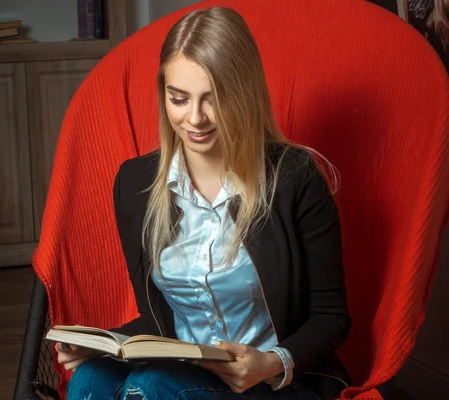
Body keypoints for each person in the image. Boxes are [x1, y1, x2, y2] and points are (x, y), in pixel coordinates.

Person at [56, 6, 351, 400]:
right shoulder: (135, 183)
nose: (194, 118)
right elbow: (156, 318)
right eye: (179, 99)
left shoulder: (294, 177)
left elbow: (331, 318)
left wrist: (272, 362)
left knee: (152, 386)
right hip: (180, 373)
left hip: (267, 382)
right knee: (91, 378)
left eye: (213, 100)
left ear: (244, 94)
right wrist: (103, 343)